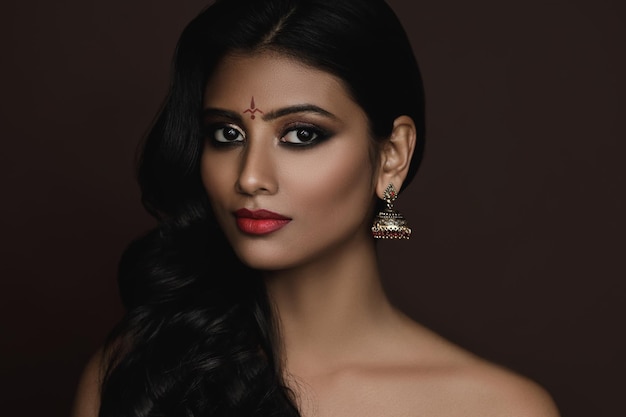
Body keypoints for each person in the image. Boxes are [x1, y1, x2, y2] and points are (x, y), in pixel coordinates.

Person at [72, 0, 561, 416]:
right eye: (227, 134)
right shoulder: (139, 377)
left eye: (301, 135)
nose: (250, 177)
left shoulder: (496, 408)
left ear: (392, 156)